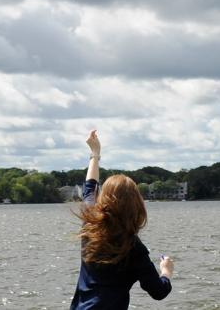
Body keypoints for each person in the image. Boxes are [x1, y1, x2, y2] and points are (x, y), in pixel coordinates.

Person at [70, 130, 174, 308]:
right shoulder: (134, 248)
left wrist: (95, 154)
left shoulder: (90, 224)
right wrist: (166, 271)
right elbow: (158, 291)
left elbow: (89, 187)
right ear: (136, 206)